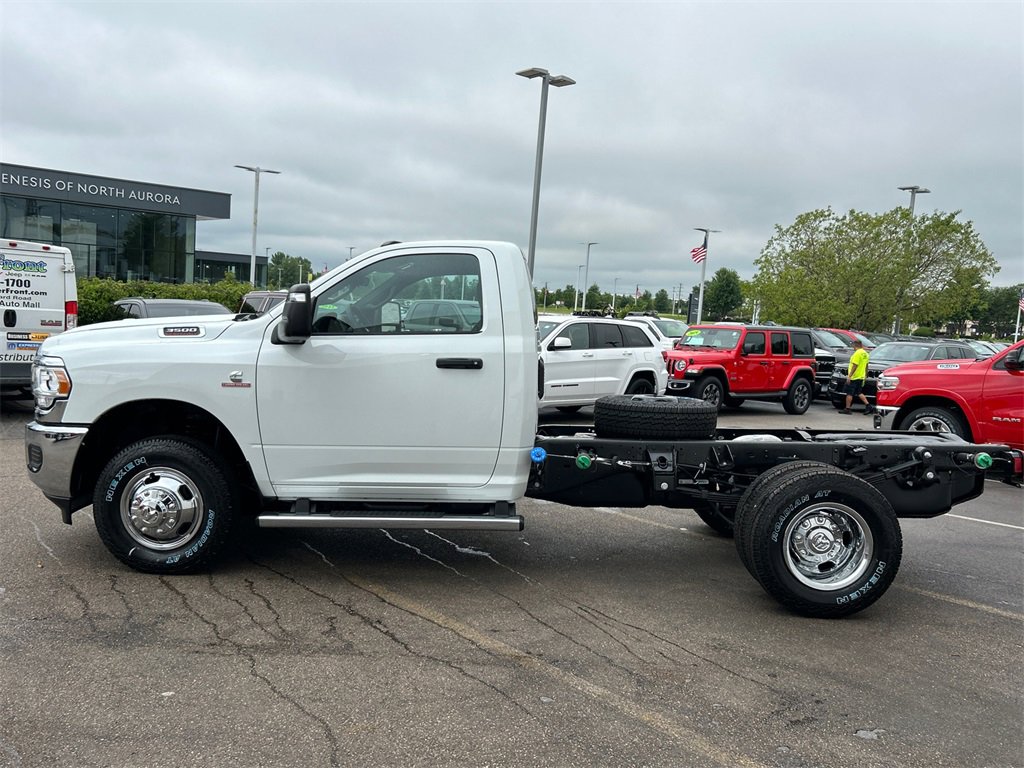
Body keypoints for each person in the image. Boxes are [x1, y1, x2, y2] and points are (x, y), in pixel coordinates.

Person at [840, 339, 873, 414]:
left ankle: (847, 409)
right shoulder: (865, 353)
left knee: (849, 393)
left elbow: (855, 365)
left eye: (853, 346)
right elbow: (866, 365)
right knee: (859, 392)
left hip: (854, 377)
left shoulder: (857, 354)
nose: (853, 347)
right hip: (861, 376)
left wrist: (849, 376)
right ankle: (868, 406)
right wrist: (865, 374)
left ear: (855, 345)